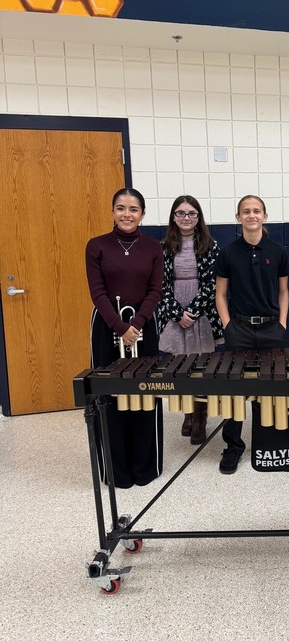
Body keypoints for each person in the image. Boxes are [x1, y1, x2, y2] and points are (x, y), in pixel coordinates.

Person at [85, 188, 164, 488]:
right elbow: (97, 292)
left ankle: (145, 467)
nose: (127, 214)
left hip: (144, 326)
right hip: (107, 327)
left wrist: (138, 324)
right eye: (121, 208)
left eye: (133, 209)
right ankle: (116, 471)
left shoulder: (153, 247)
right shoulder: (96, 246)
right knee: (109, 395)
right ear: (112, 211)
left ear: (142, 214)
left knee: (146, 390)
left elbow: (155, 290)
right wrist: (120, 327)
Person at [214, 195, 289, 474]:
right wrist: (228, 325)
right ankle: (233, 446)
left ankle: (269, 442)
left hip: (271, 330)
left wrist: (281, 324)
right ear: (238, 217)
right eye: (246, 211)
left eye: (256, 211)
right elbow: (220, 294)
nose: (251, 215)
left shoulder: (279, 251)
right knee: (235, 391)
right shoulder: (228, 252)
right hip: (240, 330)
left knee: (270, 389)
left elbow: (283, 292)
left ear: (265, 216)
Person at [159, 195, 223, 445]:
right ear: (173, 217)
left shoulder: (211, 245)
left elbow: (212, 284)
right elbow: (161, 285)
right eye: (181, 213)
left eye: (191, 213)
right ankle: (187, 412)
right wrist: (177, 313)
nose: (186, 218)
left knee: (201, 367)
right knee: (180, 366)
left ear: (199, 218)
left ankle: (200, 416)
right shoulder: (164, 247)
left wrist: (192, 312)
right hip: (175, 310)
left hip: (202, 312)